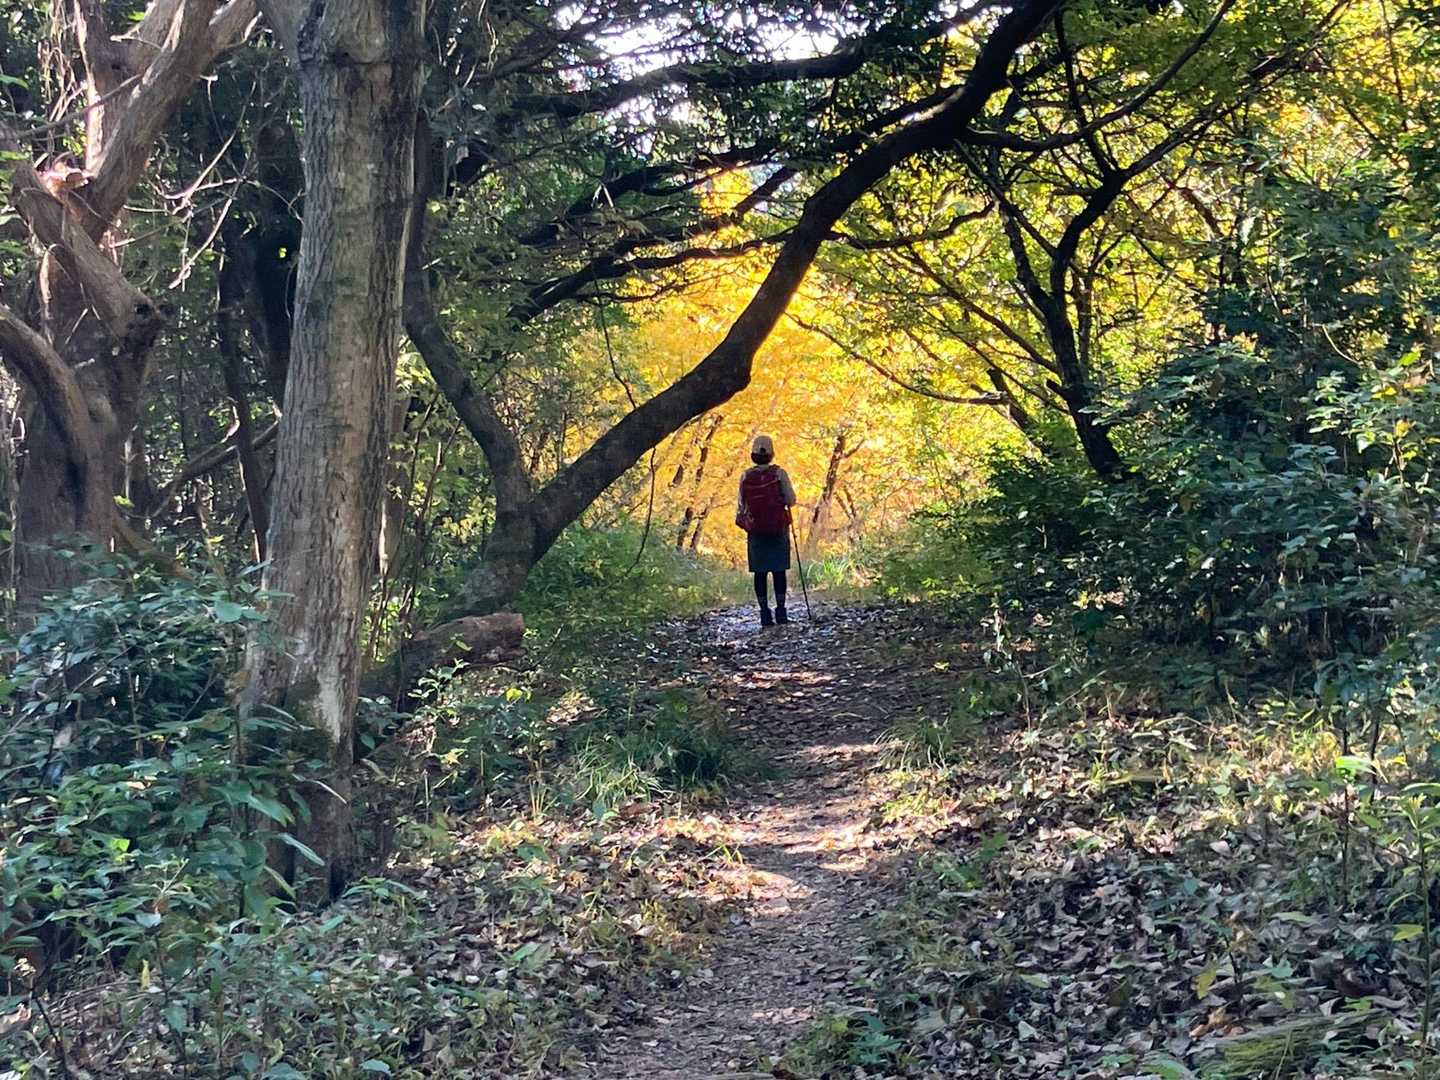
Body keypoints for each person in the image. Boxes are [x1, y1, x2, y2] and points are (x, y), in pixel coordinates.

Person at [735, 434, 798, 627]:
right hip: (778, 528)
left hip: (756, 531)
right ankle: (781, 611)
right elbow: (791, 500)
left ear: (752, 455)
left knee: (760, 572)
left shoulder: (746, 476)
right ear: (771, 454)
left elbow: (741, 505)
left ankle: (764, 613)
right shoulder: (779, 474)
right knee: (779, 570)